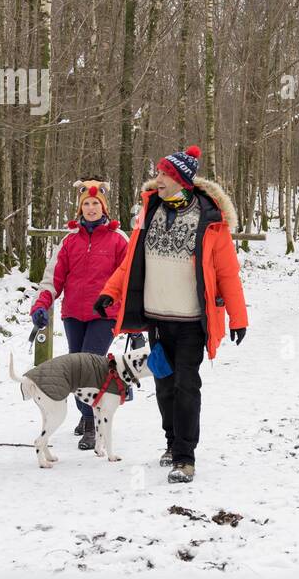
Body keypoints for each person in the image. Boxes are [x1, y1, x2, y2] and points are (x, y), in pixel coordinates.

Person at [94, 146, 247, 484]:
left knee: (186, 384)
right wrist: (110, 291)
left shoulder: (209, 220)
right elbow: (130, 262)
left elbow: (227, 273)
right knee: (164, 385)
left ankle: (185, 456)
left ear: (180, 179)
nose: (157, 180)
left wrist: (238, 317)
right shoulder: (150, 213)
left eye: (164, 174)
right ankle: (170, 442)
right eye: (158, 174)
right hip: (158, 321)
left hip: (192, 321)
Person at [29, 179, 128, 451]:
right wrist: (41, 305)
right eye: (87, 203)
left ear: (104, 207)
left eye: (96, 203)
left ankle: (92, 425)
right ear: (80, 208)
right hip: (73, 314)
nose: (92, 208)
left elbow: (130, 279)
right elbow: (53, 278)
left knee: (89, 368)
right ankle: (87, 418)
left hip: (105, 314)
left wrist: (133, 318)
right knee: (76, 367)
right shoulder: (70, 240)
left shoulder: (119, 240)